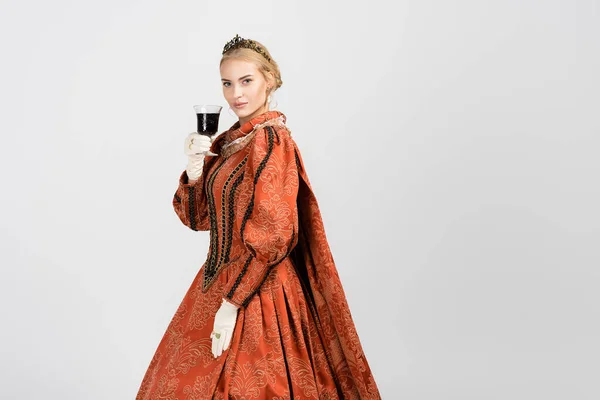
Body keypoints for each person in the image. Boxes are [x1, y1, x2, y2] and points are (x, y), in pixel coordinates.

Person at [136, 34, 381, 399]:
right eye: (227, 83)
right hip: (217, 282)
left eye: (246, 81)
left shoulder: (272, 141)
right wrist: (195, 170)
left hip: (260, 292)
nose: (236, 93)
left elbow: (276, 232)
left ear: (269, 80)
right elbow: (199, 219)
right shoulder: (233, 142)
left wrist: (233, 304)